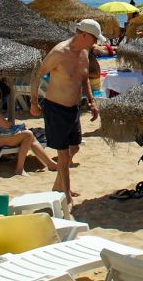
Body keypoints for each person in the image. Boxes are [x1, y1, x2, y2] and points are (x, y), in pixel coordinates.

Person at [30, 18, 106, 198]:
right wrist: (34, 102)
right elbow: (37, 75)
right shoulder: (59, 52)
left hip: (74, 109)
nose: (96, 42)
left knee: (74, 148)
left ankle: (59, 185)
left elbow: (84, 78)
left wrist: (92, 101)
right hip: (56, 108)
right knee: (63, 156)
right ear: (84, 35)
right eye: (94, 38)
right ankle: (67, 195)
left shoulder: (85, 53)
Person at [0, 97, 57, 175]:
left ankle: (50, 163)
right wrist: (12, 122)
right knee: (28, 135)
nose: (1, 101)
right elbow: (6, 125)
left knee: (29, 136)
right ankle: (19, 169)